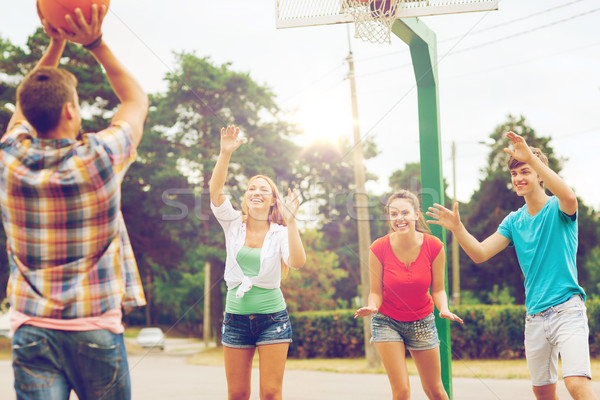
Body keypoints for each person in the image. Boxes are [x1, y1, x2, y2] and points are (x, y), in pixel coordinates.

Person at [2, 4, 148, 399]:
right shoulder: (100, 158)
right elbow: (136, 100)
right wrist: (95, 43)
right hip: (94, 328)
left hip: (32, 328)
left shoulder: (9, 160)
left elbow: (24, 110)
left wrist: (55, 45)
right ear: (70, 111)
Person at [427, 131, 598, 400]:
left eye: (525, 171)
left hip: (568, 309)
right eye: (514, 174)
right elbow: (481, 253)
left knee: (576, 384)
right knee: (542, 392)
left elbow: (570, 197)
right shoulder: (513, 222)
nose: (518, 179)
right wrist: (458, 228)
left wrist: (530, 155)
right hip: (535, 317)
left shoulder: (559, 209)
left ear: (540, 175)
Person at [209, 125, 306, 400]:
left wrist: (291, 220)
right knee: (238, 393)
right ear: (246, 197)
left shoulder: (279, 231)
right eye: (252, 187)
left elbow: (296, 262)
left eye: (264, 189)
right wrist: (225, 153)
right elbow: (215, 191)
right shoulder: (233, 225)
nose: (256, 191)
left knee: (271, 393)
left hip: (273, 320)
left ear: (273, 200)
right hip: (235, 319)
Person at [355, 189, 463, 400]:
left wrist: (444, 309)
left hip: (422, 321)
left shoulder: (434, 246)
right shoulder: (378, 247)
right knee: (402, 391)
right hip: (387, 321)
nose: (399, 218)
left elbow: (438, 289)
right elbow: (375, 292)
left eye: (404, 212)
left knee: (436, 391)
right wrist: (373, 307)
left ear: (416, 214)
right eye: (393, 214)